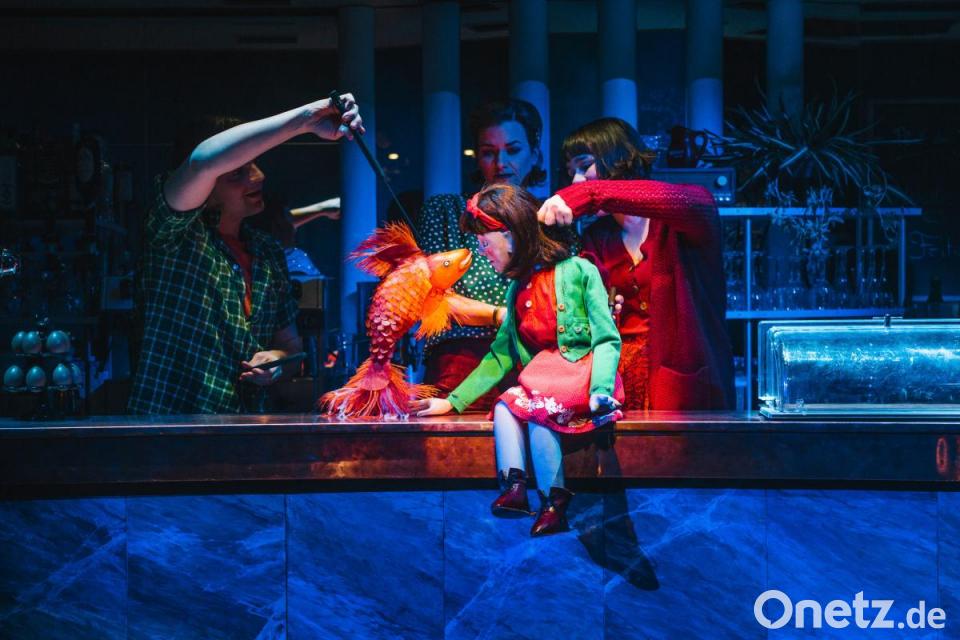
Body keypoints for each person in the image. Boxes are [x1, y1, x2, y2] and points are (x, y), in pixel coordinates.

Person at [128, 96, 364, 414]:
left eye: (254, 164)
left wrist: (277, 362)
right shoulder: (173, 235)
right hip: (169, 427)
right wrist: (305, 119)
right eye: (236, 173)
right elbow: (203, 161)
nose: (258, 177)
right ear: (206, 187)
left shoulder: (267, 252)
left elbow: (290, 348)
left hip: (242, 428)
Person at [414, 184, 623, 537]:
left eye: (485, 243)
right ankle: (514, 485)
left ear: (509, 234)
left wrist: (600, 389)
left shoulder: (578, 271)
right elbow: (501, 353)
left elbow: (606, 338)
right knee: (506, 405)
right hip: (543, 380)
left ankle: (554, 500)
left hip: (580, 375)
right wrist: (452, 401)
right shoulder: (518, 288)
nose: (483, 253)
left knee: (535, 411)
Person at [540, 117, 734, 411]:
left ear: (618, 158)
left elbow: (698, 204)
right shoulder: (598, 238)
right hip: (616, 383)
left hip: (679, 386)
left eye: (585, 166)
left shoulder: (680, 222)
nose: (576, 182)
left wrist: (589, 195)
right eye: (571, 173)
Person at [416, 99, 546, 409]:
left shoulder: (550, 219)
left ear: (534, 154)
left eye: (513, 150)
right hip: (458, 366)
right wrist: (501, 316)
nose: (501, 163)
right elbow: (432, 299)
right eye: (489, 152)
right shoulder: (447, 212)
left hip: (535, 367)